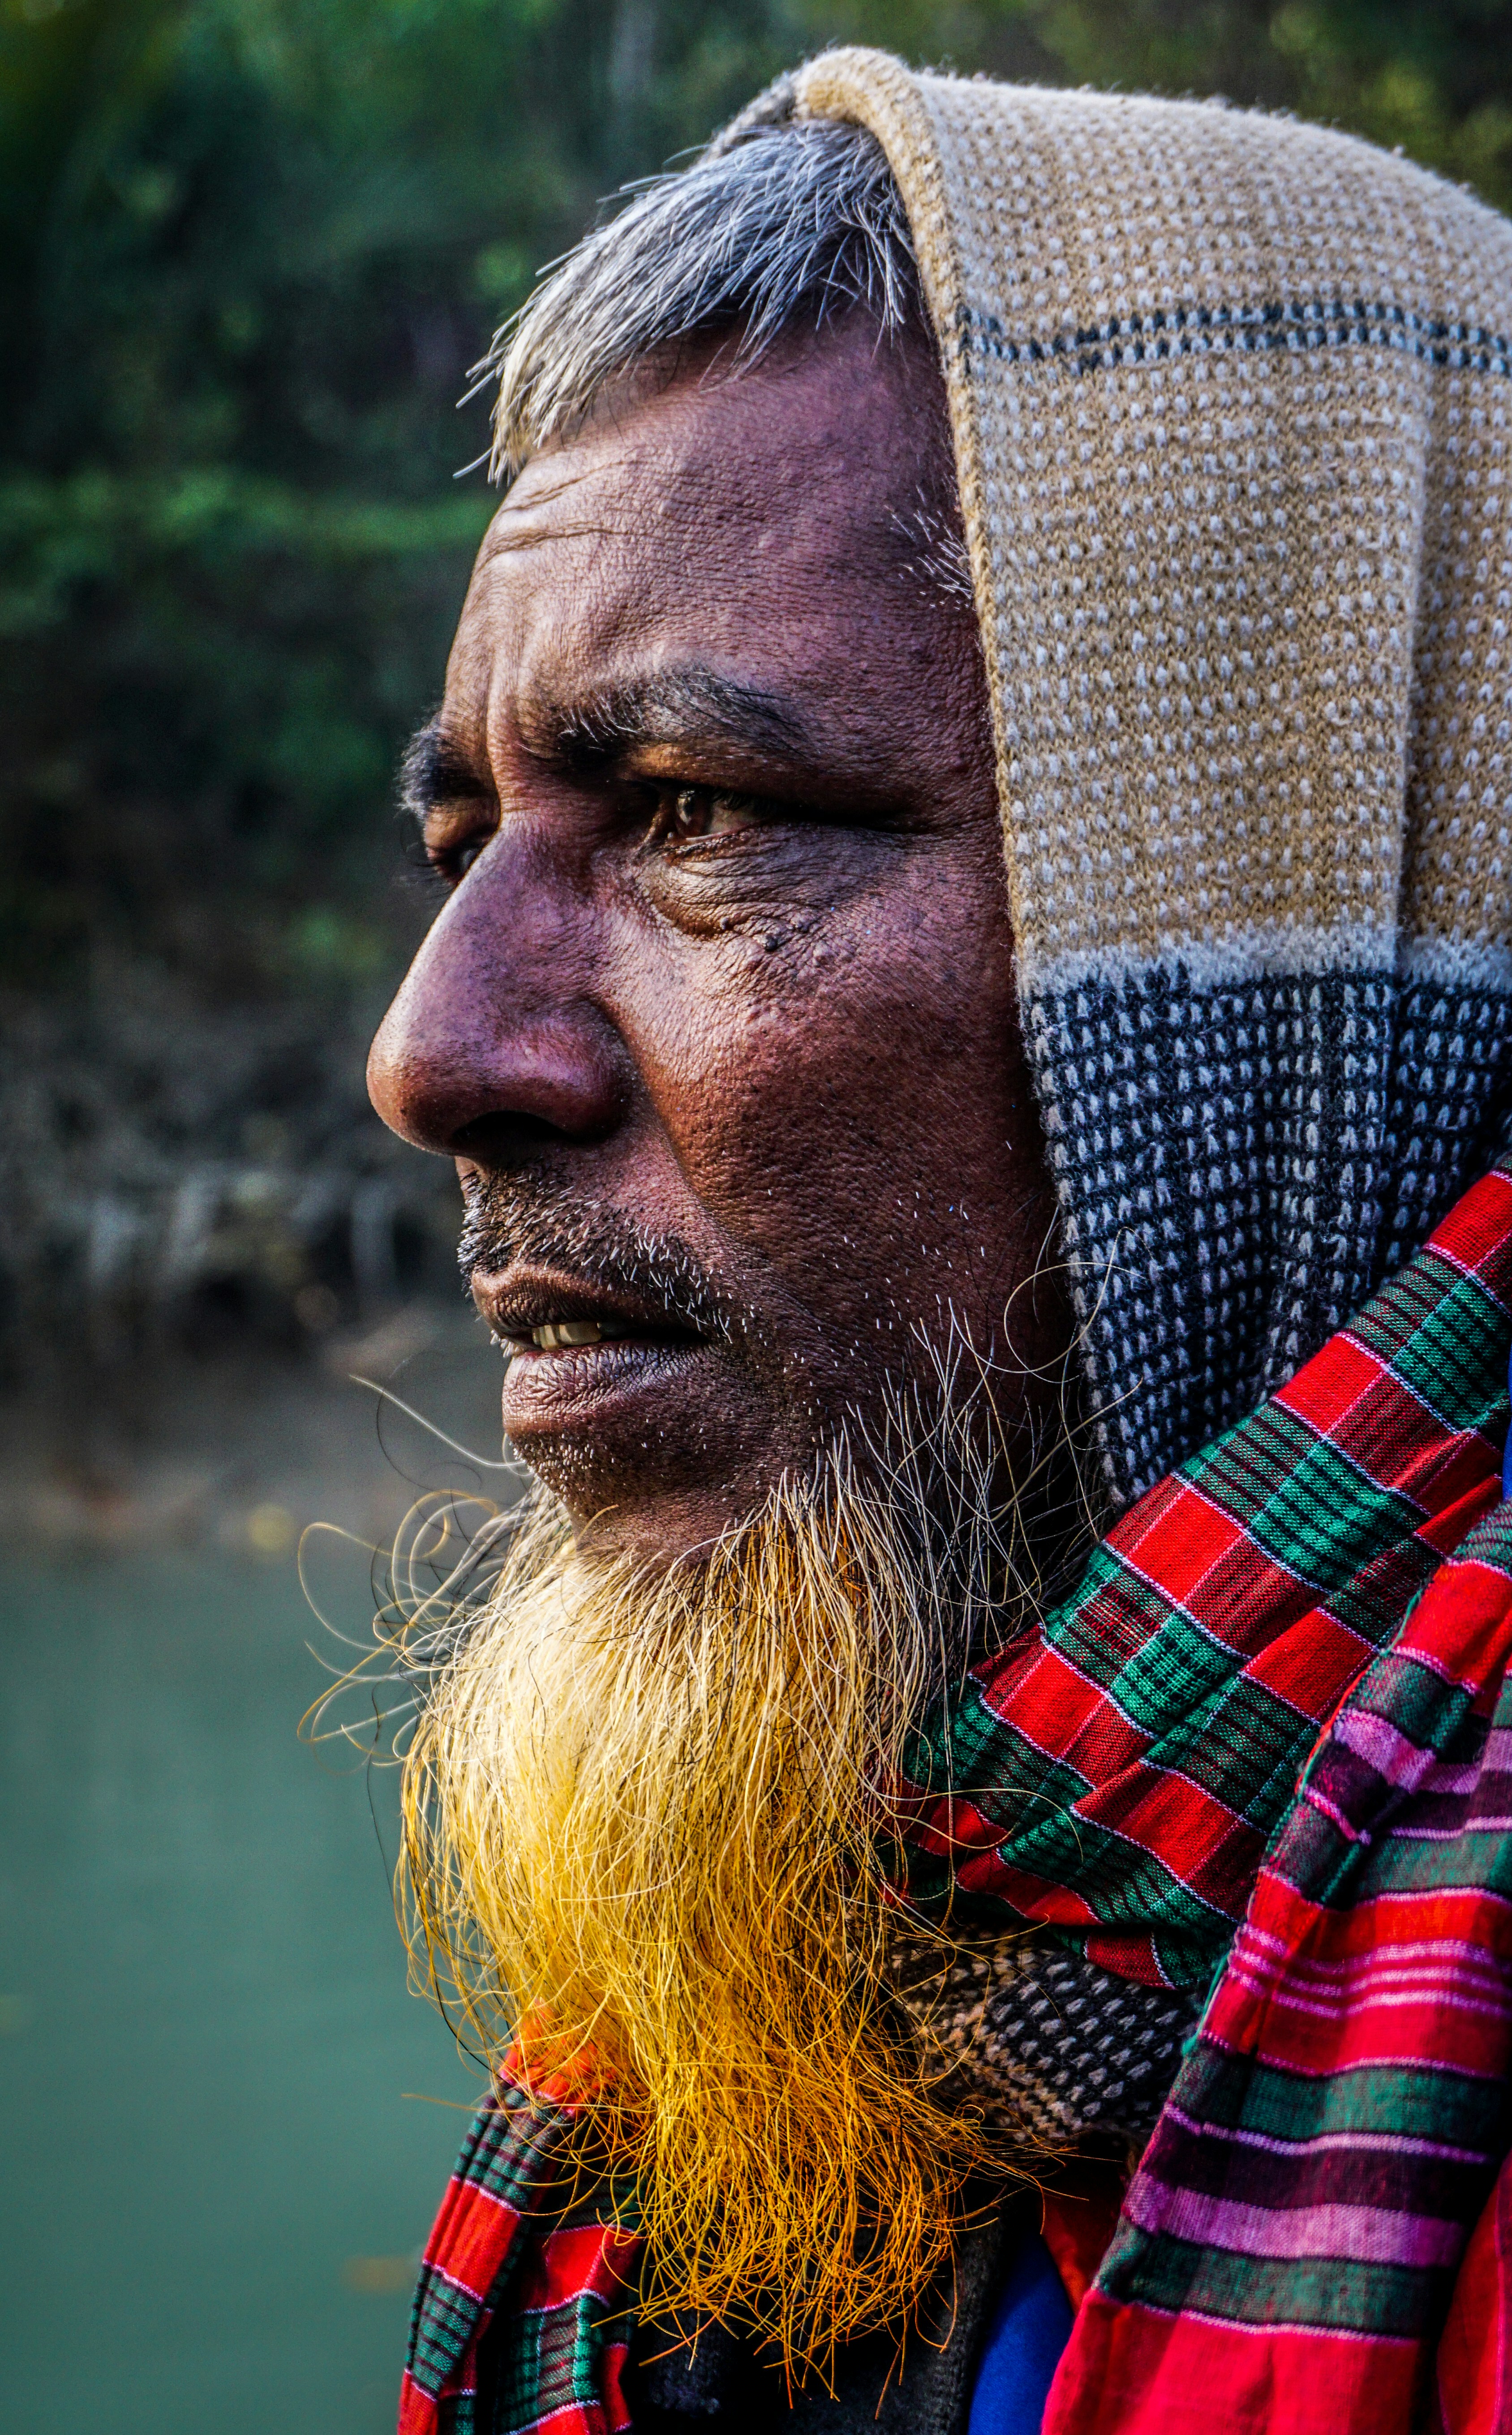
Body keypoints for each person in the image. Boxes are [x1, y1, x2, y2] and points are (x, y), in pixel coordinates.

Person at [365, 48, 1512, 2435]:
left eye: (696, 810)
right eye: (460, 835)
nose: (437, 1046)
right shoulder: (849, 1939)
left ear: (1274, 932)